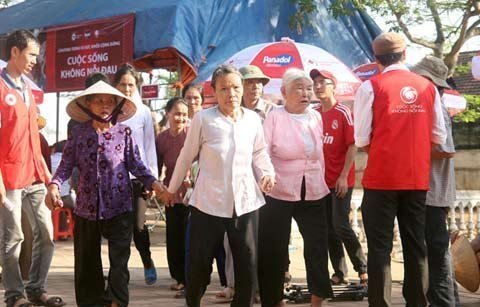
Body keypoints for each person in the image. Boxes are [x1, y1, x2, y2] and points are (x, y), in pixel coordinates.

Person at [160, 64, 275, 307]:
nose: (230, 93)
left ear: (242, 89)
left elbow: (260, 151)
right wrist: (171, 190)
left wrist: (267, 173)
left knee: (247, 263)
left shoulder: (253, 119)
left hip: (245, 203)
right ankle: (193, 302)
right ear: (213, 91)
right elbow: (186, 156)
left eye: (235, 87)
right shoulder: (204, 119)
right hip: (207, 203)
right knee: (200, 264)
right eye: (223, 88)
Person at [46, 81, 165, 307]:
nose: (105, 105)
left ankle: (116, 302)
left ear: (117, 106)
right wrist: (53, 185)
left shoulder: (124, 133)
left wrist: (155, 183)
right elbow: (65, 165)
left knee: (119, 263)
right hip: (86, 208)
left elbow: (137, 166)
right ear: (88, 104)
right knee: (87, 262)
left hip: (120, 206)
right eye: (99, 100)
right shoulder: (78, 134)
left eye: (110, 101)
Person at [354, 32, 447, 307]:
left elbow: (360, 139)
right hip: (416, 179)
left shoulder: (370, 86)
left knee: (380, 249)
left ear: (376, 59)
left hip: (381, 180)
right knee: (416, 247)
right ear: (405, 55)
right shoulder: (427, 87)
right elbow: (439, 136)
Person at [0, 29, 65, 307]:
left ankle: (36, 288)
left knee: (46, 234)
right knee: (14, 237)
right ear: (14, 51)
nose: (34, 61)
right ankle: (15, 295)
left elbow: (33, 140)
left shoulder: (27, 88)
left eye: (37, 56)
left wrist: (50, 179)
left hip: (35, 175)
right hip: (9, 177)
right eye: (31, 54)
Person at [258, 68, 333, 307]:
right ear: (284, 92)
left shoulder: (315, 116)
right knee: (274, 246)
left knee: (317, 245)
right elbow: (262, 152)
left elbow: (319, 155)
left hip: (312, 189)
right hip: (279, 190)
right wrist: (266, 176)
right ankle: (273, 299)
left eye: (308, 88)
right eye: (299, 88)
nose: (306, 93)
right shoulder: (274, 116)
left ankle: (317, 299)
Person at [311, 69, 368, 286]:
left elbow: (353, 145)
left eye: (323, 82)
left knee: (340, 224)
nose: (318, 87)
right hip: (320, 182)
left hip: (341, 180)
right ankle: (339, 272)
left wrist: (343, 176)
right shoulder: (314, 113)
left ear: (333, 86)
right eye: (314, 83)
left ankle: (362, 268)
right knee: (327, 228)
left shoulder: (343, 112)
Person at [412, 55, 458, 307]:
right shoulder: (432, 102)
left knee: (436, 250)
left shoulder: (434, 104)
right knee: (436, 249)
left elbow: (446, 149)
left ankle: (444, 302)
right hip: (430, 189)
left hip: (433, 190)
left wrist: (409, 147)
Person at [113, 64, 159, 285]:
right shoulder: (110, 110)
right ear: (115, 85)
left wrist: (153, 179)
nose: (127, 88)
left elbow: (150, 146)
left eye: (131, 84)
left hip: (139, 179)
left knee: (138, 227)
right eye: (123, 84)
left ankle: (147, 261)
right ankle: (120, 273)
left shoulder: (144, 112)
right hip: (114, 180)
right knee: (120, 228)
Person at [155, 97, 190, 294]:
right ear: (168, 114)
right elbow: (157, 166)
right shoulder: (161, 138)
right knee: (173, 236)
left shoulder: (192, 134)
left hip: (192, 193)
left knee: (189, 236)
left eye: (184, 114)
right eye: (176, 114)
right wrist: (157, 187)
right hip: (171, 193)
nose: (180, 118)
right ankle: (178, 277)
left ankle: (190, 276)